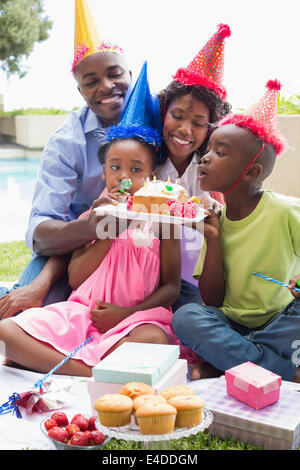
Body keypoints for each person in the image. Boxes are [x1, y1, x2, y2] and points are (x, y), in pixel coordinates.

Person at [0, 63, 182, 376]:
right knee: (7, 331)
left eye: (136, 170)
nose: (123, 176)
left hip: (134, 318)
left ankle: (60, 366)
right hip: (83, 311)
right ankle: (93, 372)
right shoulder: (93, 216)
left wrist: (127, 313)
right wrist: (108, 231)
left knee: (154, 340)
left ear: (152, 176)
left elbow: (171, 286)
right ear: (103, 172)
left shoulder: (164, 219)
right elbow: (75, 279)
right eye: (115, 168)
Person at [0, 0, 132, 319]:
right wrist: (90, 227)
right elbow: (42, 232)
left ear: (130, 73)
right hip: (70, 249)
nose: (106, 86)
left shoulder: (154, 122)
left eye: (115, 74)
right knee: (26, 317)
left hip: (135, 250)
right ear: (80, 91)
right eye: (91, 81)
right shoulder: (66, 141)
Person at [171, 79, 300, 382]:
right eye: (209, 149)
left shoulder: (284, 210)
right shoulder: (216, 219)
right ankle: (283, 371)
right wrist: (213, 239)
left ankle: (227, 362)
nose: (205, 157)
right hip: (230, 323)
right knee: (187, 317)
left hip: (282, 321)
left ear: (251, 172)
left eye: (220, 152)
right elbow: (213, 301)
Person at [156, 24, 231, 306]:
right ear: (164, 111)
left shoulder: (208, 172)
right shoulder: (147, 162)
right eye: (177, 115)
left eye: (198, 123)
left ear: (210, 129)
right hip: (149, 270)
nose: (186, 130)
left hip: (195, 275)